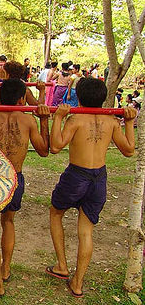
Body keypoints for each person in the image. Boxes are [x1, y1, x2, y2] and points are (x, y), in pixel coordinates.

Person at [47, 77, 136, 298]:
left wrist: (58, 117)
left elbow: (56, 147)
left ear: (80, 96)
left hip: (77, 175)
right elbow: (129, 150)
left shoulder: (75, 119)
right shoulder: (112, 122)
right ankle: (77, 284)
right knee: (86, 231)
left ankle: (62, 265)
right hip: (99, 178)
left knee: (56, 213)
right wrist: (130, 124)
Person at [0, 79, 50, 298]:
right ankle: (6, 268)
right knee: (8, 222)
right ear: (22, 99)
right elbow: (44, 151)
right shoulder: (28, 121)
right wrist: (45, 119)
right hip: (14, 177)